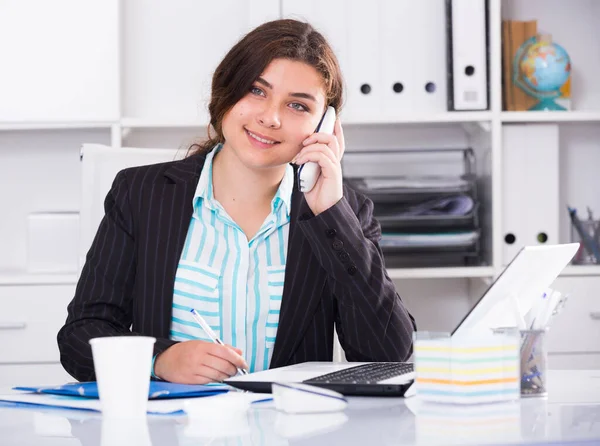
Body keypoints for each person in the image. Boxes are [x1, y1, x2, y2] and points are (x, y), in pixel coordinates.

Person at [57, 19, 416, 384]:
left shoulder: (343, 214)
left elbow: (388, 357)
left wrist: (331, 216)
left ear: (325, 127)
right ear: (226, 90)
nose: (270, 118)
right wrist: (160, 360)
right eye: (257, 91)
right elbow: (80, 337)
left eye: (298, 106)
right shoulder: (140, 193)